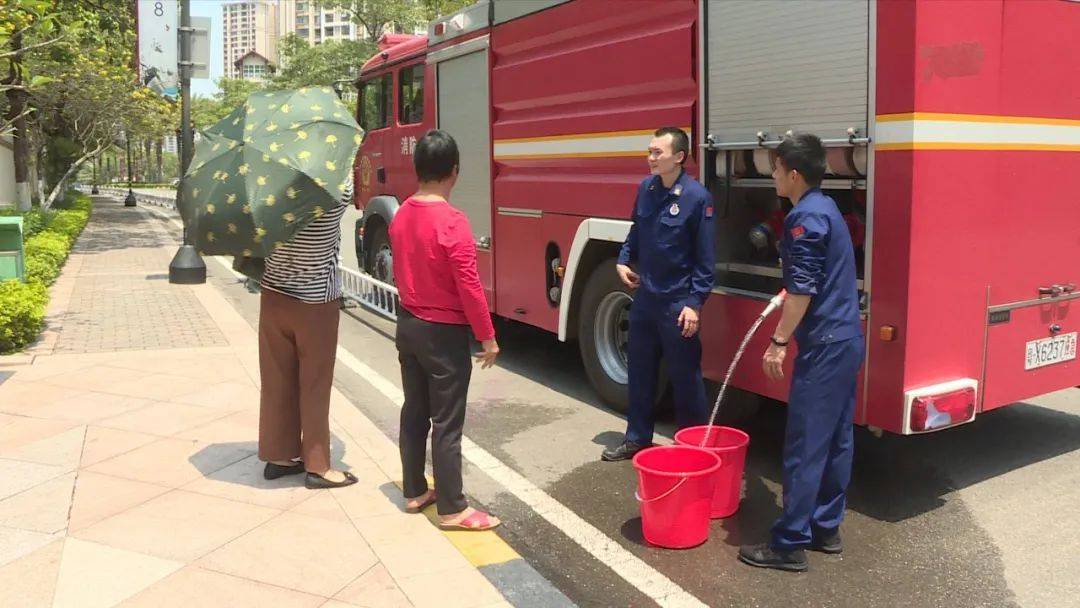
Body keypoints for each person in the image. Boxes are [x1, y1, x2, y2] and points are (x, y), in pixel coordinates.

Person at [738, 133, 864, 572]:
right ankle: (826, 528)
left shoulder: (802, 220)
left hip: (825, 345)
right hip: (846, 339)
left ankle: (789, 542)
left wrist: (778, 341)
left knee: (806, 442)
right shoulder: (826, 209)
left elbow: (803, 289)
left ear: (793, 174)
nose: (771, 175)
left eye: (774, 169)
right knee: (835, 438)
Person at [389, 129, 501, 531]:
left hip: (408, 325)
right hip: (443, 333)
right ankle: (453, 507)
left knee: (414, 411)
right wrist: (487, 336)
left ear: (418, 169)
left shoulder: (402, 213)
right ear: (454, 171)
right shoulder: (452, 221)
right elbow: (469, 286)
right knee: (447, 422)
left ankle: (416, 490)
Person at [601, 127, 716, 462]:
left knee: (685, 380)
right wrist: (623, 261)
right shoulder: (647, 189)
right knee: (640, 372)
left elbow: (706, 259)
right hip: (646, 299)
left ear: (679, 157)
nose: (650, 158)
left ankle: (693, 448)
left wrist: (695, 303)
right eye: (649, 152)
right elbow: (636, 230)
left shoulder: (697, 198)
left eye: (657, 153)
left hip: (678, 303)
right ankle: (637, 438)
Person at [257, 177, 358, 489]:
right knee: (314, 384)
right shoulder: (336, 189)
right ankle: (318, 466)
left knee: (276, 380)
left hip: (273, 295)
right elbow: (350, 185)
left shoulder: (267, 188)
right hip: (315, 303)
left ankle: (278, 457)